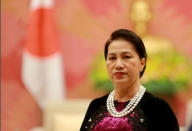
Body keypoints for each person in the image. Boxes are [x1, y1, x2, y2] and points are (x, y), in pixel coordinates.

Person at [80, 29, 179, 131]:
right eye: (112, 58)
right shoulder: (95, 106)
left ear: (142, 63)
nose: (118, 65)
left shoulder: (159, 109)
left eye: (126, 57)